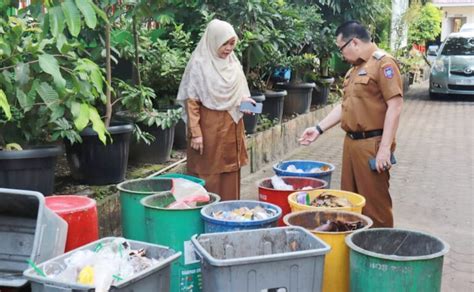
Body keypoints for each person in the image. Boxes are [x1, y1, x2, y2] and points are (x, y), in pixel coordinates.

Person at [299, 21, 404, 227]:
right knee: (349, 203)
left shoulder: (383, 64)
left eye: (341, 48)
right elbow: (345, 105)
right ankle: (355, 252)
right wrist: (318, 129)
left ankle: (380, 252)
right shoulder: (354, 69)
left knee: (375, 207)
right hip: (351, 144)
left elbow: (396, 105)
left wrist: (384, 148)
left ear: (354, 42)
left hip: (372, 145)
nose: (341, 55)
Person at [177, 19, 254, 201]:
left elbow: (239, 94)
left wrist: (246, 102)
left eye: (232, 44)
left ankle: (229, 213)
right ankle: (207, 216)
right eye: (224, 43)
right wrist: (196, 133)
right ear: (213, 41)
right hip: (208, 129)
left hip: (231, 128)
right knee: (207, 173)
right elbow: (192, 102)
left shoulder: (233, 64)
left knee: (230, 173)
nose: (228, 48)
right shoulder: (200, 64)